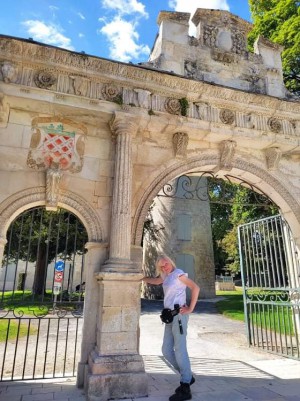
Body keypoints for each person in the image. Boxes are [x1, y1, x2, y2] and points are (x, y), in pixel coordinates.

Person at [142, 254, 200, 401]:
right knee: (166, 350)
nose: (165, 267)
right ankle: (187, 375)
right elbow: (156, 281)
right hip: (169, 317)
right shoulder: (166, 276)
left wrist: (190, 308)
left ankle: (185, 386)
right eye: (161, 266)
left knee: (180, 349)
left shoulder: (178, 273)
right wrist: (142, 278)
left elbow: (195, 287)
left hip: (179, 316)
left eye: (166, 263)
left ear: (170, 261)